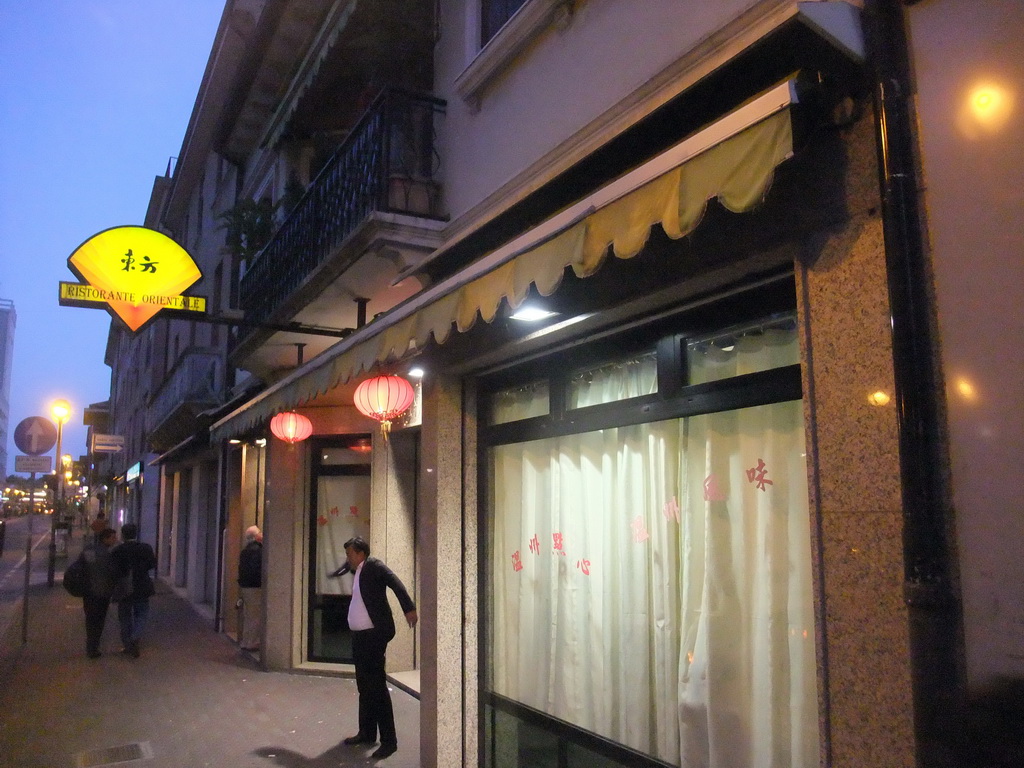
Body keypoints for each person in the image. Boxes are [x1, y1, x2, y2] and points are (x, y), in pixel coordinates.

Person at [339, 536, 417, 760]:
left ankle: (389, 741)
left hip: (374, 636)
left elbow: (395, 582)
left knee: (377, 688)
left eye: (350, 554)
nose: (348, 559)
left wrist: (408, 608)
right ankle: (366, 732)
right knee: (364, 685)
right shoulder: (359, 569)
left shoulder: (374, 566)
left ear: (361, 553)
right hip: (360, 638)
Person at [111, 523, 157, 658]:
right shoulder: (145, 548)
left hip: (124, 588)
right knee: (141, 614)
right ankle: (135, 636)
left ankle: (127, 644)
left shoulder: (118, 550)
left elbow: (113, 569)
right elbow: (152, 564)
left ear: (123, 534)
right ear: (136, 534)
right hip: (142, 586)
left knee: (124, 617)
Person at [79, 527, 119, 658]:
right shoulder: (108, 554)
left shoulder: (89, 549)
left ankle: (91, 646)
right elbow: (113, 573)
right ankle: (93, 647)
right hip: (103, 592)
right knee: (99, 619)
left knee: (90, 619)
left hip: (89, 591)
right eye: (113, 537)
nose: (115, 540)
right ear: (105, 538)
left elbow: (81, 567)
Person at [238, 525, 263, 652]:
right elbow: (256, 570)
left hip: (245, 586)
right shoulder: (257, 550)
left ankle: (246, 640)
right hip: (254, 586)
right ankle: (252, 642)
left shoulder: (245, 550)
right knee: (255, 615)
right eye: (260, 532)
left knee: (248, 615)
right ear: (256, 536)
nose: (262, 534)